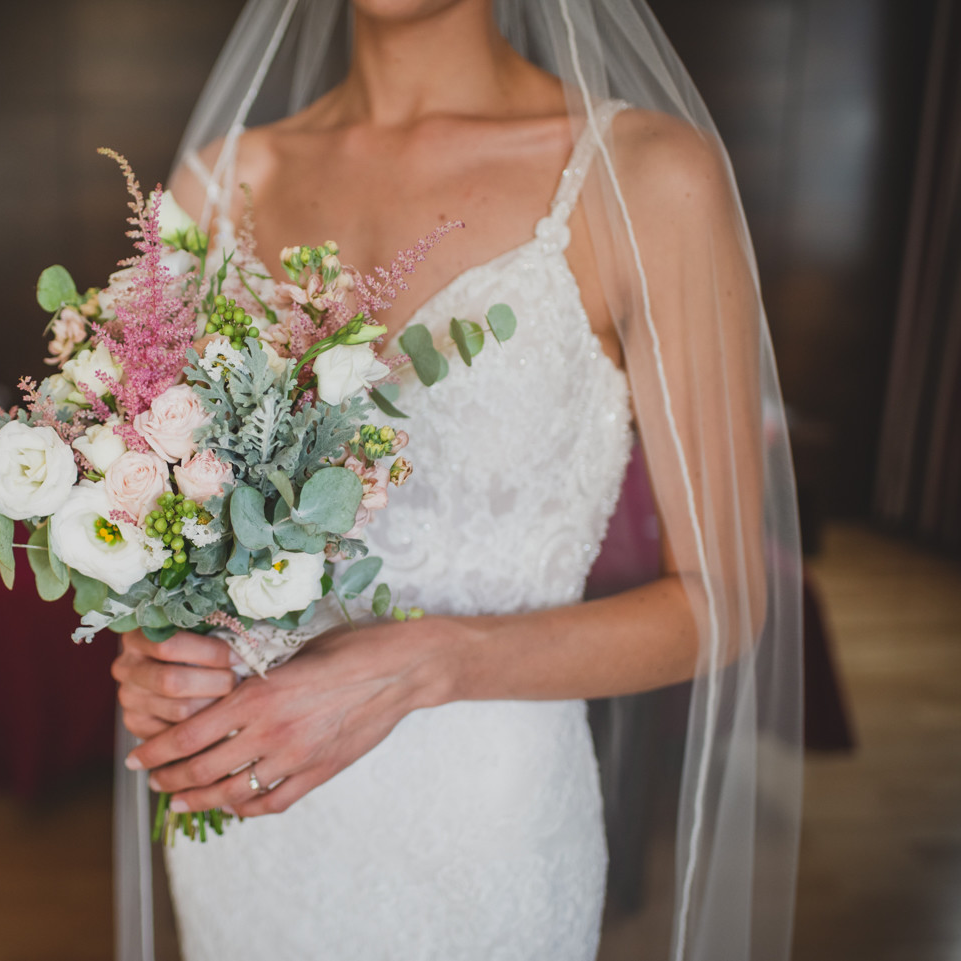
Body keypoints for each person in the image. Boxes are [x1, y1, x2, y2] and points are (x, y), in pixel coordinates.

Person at [112, 1, 804, 959]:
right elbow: (171, 521)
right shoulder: (221, 180)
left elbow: (724, 600)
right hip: (255, 827)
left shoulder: (646, 180)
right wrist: (161, 658)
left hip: (483, 845)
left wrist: (430, 662)